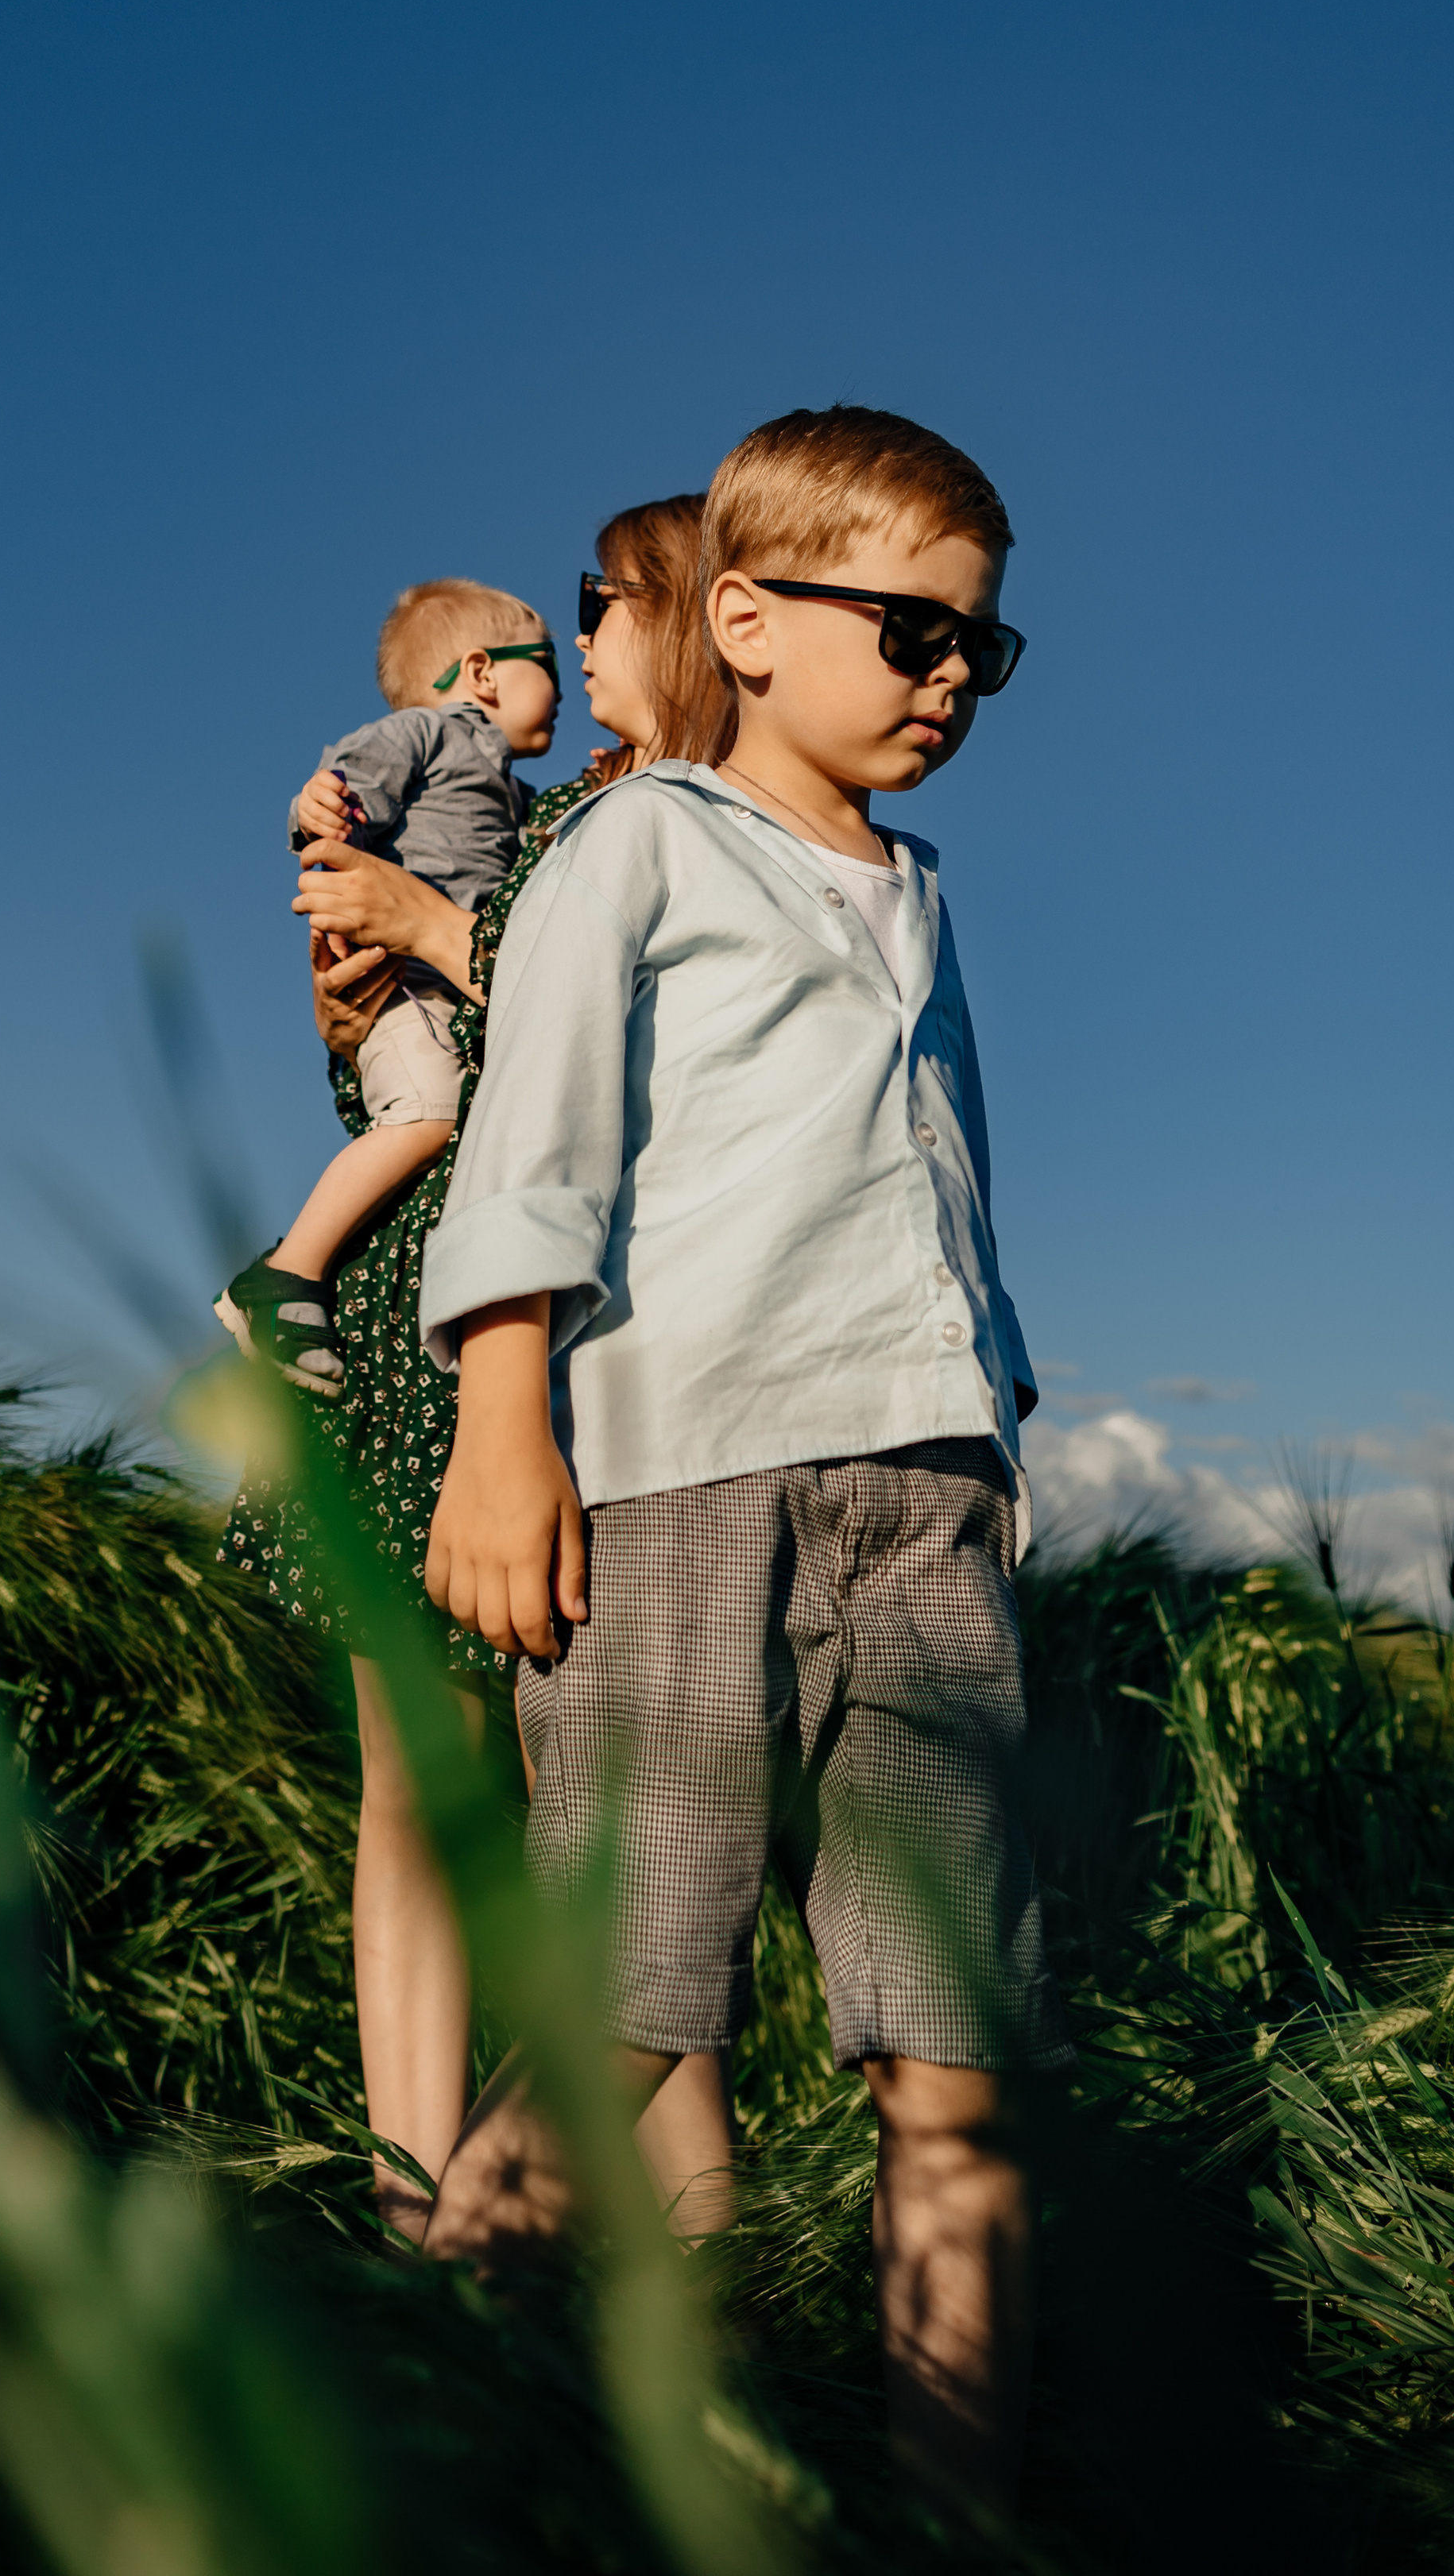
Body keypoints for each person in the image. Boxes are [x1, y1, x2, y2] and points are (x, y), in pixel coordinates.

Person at [416, 407, 1066, 2523]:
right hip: (684, 1483)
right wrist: (502, 1432)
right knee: (622, 2014)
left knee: (955, 2060)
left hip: (926, 1498)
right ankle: (406, 2450)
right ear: (750, 619)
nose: (950, 677)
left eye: (983, 648)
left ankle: (956, 2525)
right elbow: (531, 1157)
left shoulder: (925, 896)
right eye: (912, 632)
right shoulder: (641, 847)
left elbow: (939, 1195)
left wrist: (998, 1438)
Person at [220, 497, 736, 2243]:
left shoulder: (645, 828)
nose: (575, 652)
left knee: (625, 1815)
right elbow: (401, 1069)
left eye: (602, 610)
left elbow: (615, 1049)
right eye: (557, 622)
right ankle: (419, 2207)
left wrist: (421, 928)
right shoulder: (505, 811)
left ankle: (688, 2229)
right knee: (425, 1798)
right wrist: (357, 983)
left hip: (578, 1335)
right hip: (416, 1323)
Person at [214, 577, 561, 1393]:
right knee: (429, 1113)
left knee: (450, 1117)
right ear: (483, 671)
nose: (562, 688)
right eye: (545, 665)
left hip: (450, 989)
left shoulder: (520, 796)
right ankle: (286, 1274)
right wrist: (317, 810)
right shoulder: (425, 733)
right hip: (403, 983)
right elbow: (341, 791)